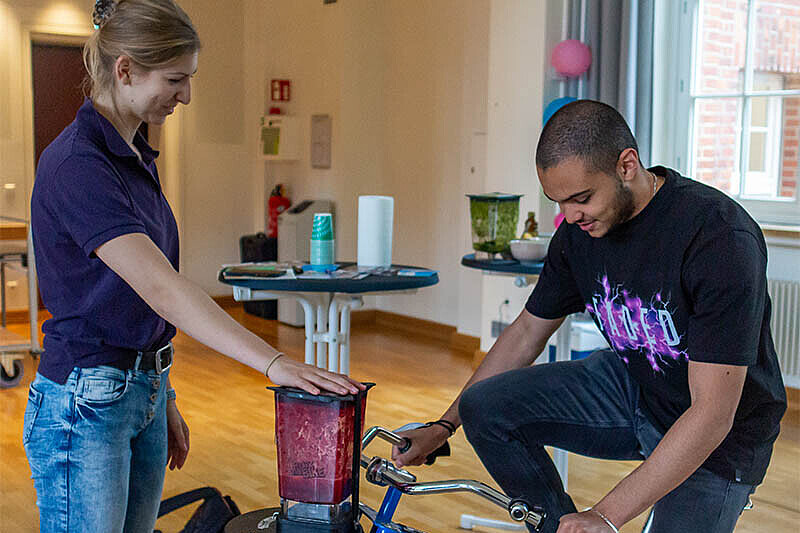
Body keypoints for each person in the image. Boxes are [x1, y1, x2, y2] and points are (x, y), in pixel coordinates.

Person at [23, 1, 364, 531]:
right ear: (125, 70)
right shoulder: (78, 164)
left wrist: (161, 396)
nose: (186, 95)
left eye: (190, 78)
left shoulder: (134, 156)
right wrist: (273, 362)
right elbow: (163, 289)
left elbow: (133, 304)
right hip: (85, 402)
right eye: (175, 79)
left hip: (138, 389)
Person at [394, 100, 786, 533]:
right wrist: (444, 426)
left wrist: (604, 515)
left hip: (721, 438)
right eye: (558, 202)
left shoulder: (718, 236)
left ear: (627, 165)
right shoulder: (577, 234)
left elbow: (712, 413)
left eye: (581, 198)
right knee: (484, 407)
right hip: (637, 388)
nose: (569, 216)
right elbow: (526, 332)